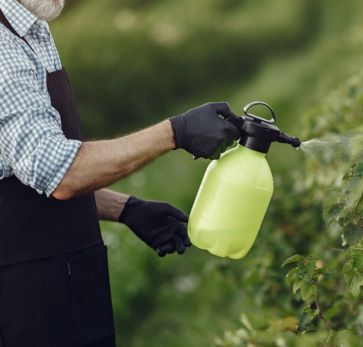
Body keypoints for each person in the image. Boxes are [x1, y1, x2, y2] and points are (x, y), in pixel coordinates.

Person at [0, 0, 241, 346]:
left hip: (65, 282)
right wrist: (174, 133)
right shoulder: (3, 49)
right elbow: (63, 171)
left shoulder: (33, 29)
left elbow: (27, 172)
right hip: (24, 297)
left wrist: (127, 208)